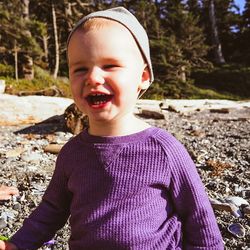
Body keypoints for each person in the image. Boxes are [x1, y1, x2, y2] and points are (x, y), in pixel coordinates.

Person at [0, 7, 224, 250]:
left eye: (110, 65)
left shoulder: (165, 150)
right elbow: (51, 211)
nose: (93, 77)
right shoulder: (71, 153)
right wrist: (17, 244)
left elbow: (199, 218)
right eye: (80, 68)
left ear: (143, 77)